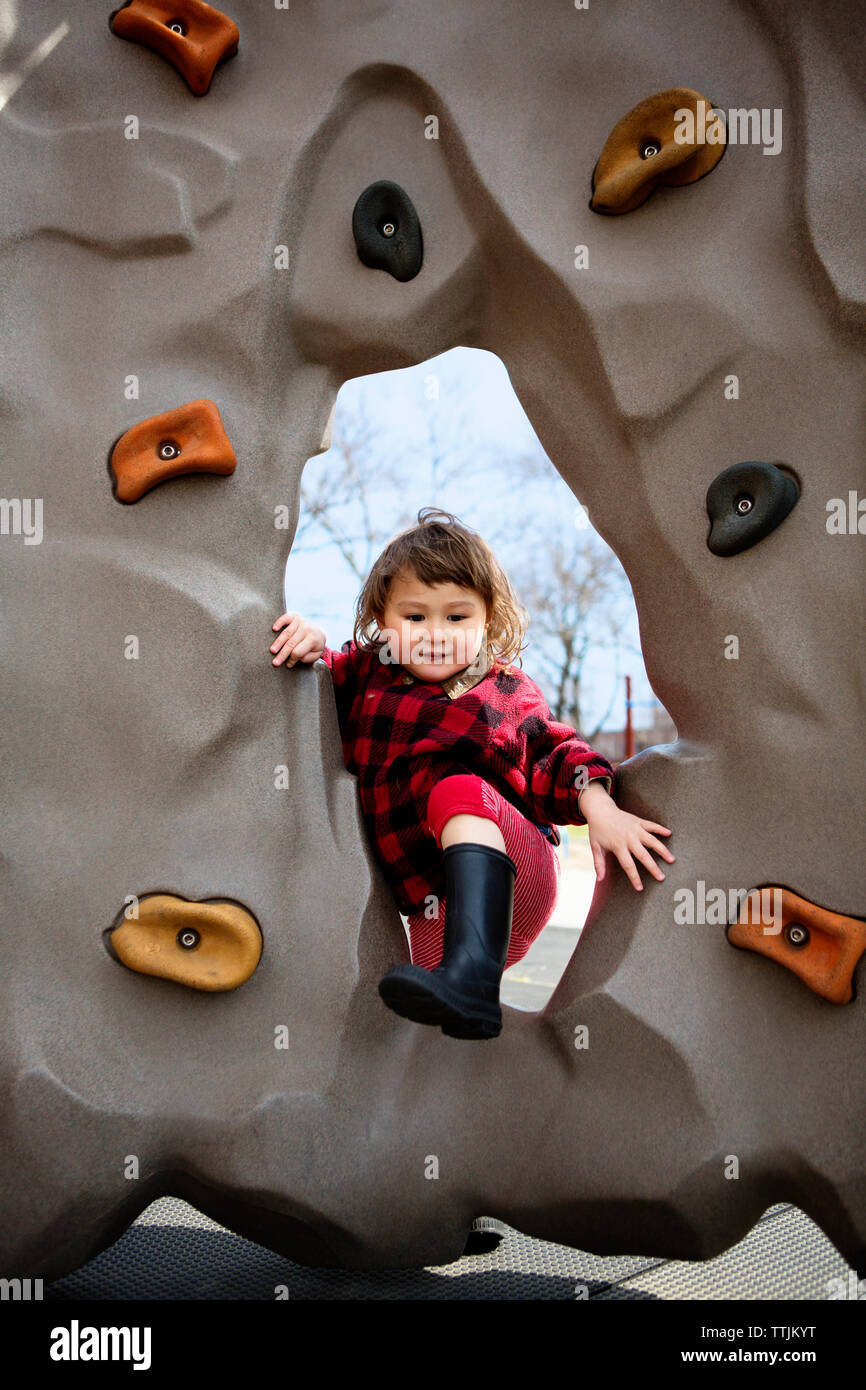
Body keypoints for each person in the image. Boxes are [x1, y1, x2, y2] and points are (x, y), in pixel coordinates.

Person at [270, 507, 673, 1041]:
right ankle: (470, 998)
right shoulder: (366, 677)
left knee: (457, 789)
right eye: (415, 617)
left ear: (488, 620)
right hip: (433, 905)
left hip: (516, 883)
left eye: (456, 617)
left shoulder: (504, 692)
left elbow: (558, 754)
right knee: (415, 1018)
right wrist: (308, 637)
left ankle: (472, 977)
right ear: (382, 620)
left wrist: (603, 810)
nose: (436, 633)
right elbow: (320, 674)